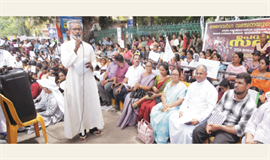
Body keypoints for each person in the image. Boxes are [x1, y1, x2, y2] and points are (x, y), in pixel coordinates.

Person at [61, 20, 104, 141]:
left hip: (88, 79)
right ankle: (82, 129)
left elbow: (95, 62)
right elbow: (65, 63)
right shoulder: (65, 46)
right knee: (78, 103)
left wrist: (92, 65)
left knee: (91, 102)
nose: (77, 31)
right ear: (69, 31)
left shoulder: (89, 46)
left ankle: (93, 126)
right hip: (75, 80)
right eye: (75, 29)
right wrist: (75, 50)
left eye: (79, 29)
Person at [192, 73, 257, 144]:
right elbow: (217, 109)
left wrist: (219, 127)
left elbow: (240, 130)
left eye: (240, 83)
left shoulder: (251, 106)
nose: (236, 85)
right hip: (217, 121)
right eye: (235, 82)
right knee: (197, 132)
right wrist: (210, 122)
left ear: (248, 86)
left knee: (217, 144)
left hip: (230, 130)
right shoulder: (228, 93)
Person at [169, 65, 218, 144]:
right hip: (189, 112)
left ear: (206, 74)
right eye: (197, 73)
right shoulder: (192, 85)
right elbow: (186, 100)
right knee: (172, 118)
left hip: (200, 115)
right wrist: (182, 110)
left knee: (186, 131)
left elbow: (210, 108)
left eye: (201, 73)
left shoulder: (211, 89)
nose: (198, 75)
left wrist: (199, 119)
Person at [150, 68, 187, 144]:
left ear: (180, 76)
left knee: (165, 117)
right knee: (154, 109)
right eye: (172, 74)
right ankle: (154, 135)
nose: (174, 76)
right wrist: (164, 104)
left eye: (176, 74)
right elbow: (163, 96)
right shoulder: (168, 84)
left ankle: (161, 140)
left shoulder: (182, 86)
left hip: (175, 107)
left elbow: (180, 101)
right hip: (165, 104)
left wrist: (168, 106)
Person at [117, 61, 156, 129]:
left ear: (152, 67)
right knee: (128, 97)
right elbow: (137, 83)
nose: (148, 68)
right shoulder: (142, 74)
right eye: (147, 66)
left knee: (134, 100)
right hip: (138, 91)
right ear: (145, 67)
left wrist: (139, 86)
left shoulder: (153, 76)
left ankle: (132, 120)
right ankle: (125, 118)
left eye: (150, 66)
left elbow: (149, 87)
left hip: (145, 94)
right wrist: (136, 87)